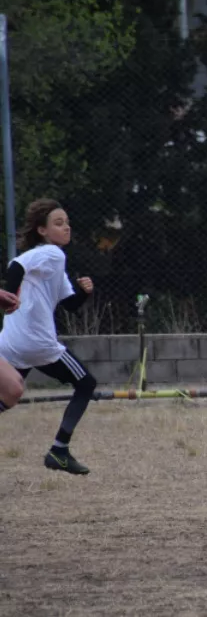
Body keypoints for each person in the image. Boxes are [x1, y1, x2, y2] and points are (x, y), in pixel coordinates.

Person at [0, 199, 97, 475]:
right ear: (42, 230)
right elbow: (16, 265)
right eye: (58, 223)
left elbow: (70, 305)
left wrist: (84, 293)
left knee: (8, 395)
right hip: (38, 344)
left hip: (10, 341)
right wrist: (9, 296)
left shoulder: (50, 263)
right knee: (86, 384)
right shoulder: (52, 254)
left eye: (67, 222)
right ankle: (59, 451)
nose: (66, 227)